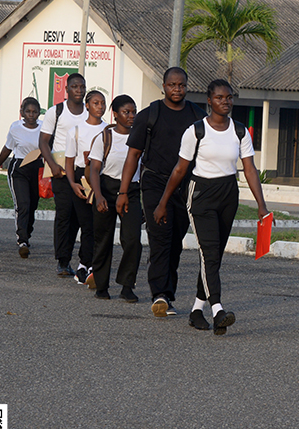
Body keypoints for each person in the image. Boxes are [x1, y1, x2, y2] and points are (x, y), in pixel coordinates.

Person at [153, 79, 270, 336]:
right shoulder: (196, 131)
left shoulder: (240, 131)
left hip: (228, 193)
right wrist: (163, 203)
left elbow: (249, 168)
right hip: (201, 194)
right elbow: (180, 169)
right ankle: (217, 309)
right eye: (219, 98)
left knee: (212, 256)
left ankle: (196, 310)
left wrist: (261, 204)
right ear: (209, 100)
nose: (225, 102)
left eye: (229, 98)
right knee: (210, 253)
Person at [118, 68, 205, 318]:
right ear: (163, 87)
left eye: (181, 85)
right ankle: (160, 294)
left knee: (175, 242)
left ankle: (168, 293)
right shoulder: (149, 115)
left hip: (186, 186)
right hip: (155, 182)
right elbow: (133, 155)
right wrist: (124, 191)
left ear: (187, 86)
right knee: (160, 238)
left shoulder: (198, 116)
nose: (176, 89)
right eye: (172, 85)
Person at [88, 95, 143, 302]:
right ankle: (101, 285)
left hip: (131, 191)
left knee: (132, 240)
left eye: (133, 111)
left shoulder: (140, 137)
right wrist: (99, 195)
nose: (131, 116)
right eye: (126, 112)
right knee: (103, 239)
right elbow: (94, 169)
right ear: (116, 114)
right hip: (107, 188)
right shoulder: (105, 136)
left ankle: (127, 286)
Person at [39, 73, 89, 279]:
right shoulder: (56, 112)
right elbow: (43, 141)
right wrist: (52, 165)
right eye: (75, 86)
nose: (79, 90)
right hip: (60, 169)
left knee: (79, 217)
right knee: (64, 214)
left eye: (82, 87)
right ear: (66, 89)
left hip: (82, 171)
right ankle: (62, 260)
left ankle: (80, 260)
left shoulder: (90, 113)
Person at [0, 97, 42, 258]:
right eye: (28, 111)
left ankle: (27, 233)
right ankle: (22, 240)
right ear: (22, 113)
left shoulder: (44, 128)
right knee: (23, 204)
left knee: (32, 206)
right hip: (19, 169)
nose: (31, 115)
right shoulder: (15, 128)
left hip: (37, 169)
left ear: (39, 112)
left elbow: (49, 149)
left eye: (34, 112)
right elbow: (7, 149)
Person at [63, 89, 107, 286]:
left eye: (103, 103)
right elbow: (69, 161)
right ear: (87, 105)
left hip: (102, 177)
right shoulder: (76, 131)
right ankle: (85, 264)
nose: (100, 107)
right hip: (82, 178)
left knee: (99, 225)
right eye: (96, 103)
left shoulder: (109, 130)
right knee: (87, 225)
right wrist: (73, 184)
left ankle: (90, 265)